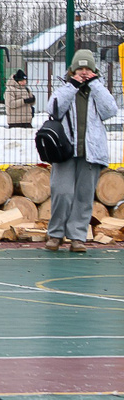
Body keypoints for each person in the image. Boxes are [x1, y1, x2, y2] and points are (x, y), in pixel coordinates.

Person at [44, 49, 118, 252]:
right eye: (80, 68)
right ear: (73, 70)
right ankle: (55, 234)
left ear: (94, 70)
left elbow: (110, 110)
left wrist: (95, 84)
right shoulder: (65, 88)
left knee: (84, 197)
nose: (84, 72)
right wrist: (72, 86)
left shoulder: (98, 90)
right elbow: (53, 109)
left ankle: (77, 237)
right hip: (65, 152)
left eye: (87, 68)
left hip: (91, 152)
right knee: (62, 192)